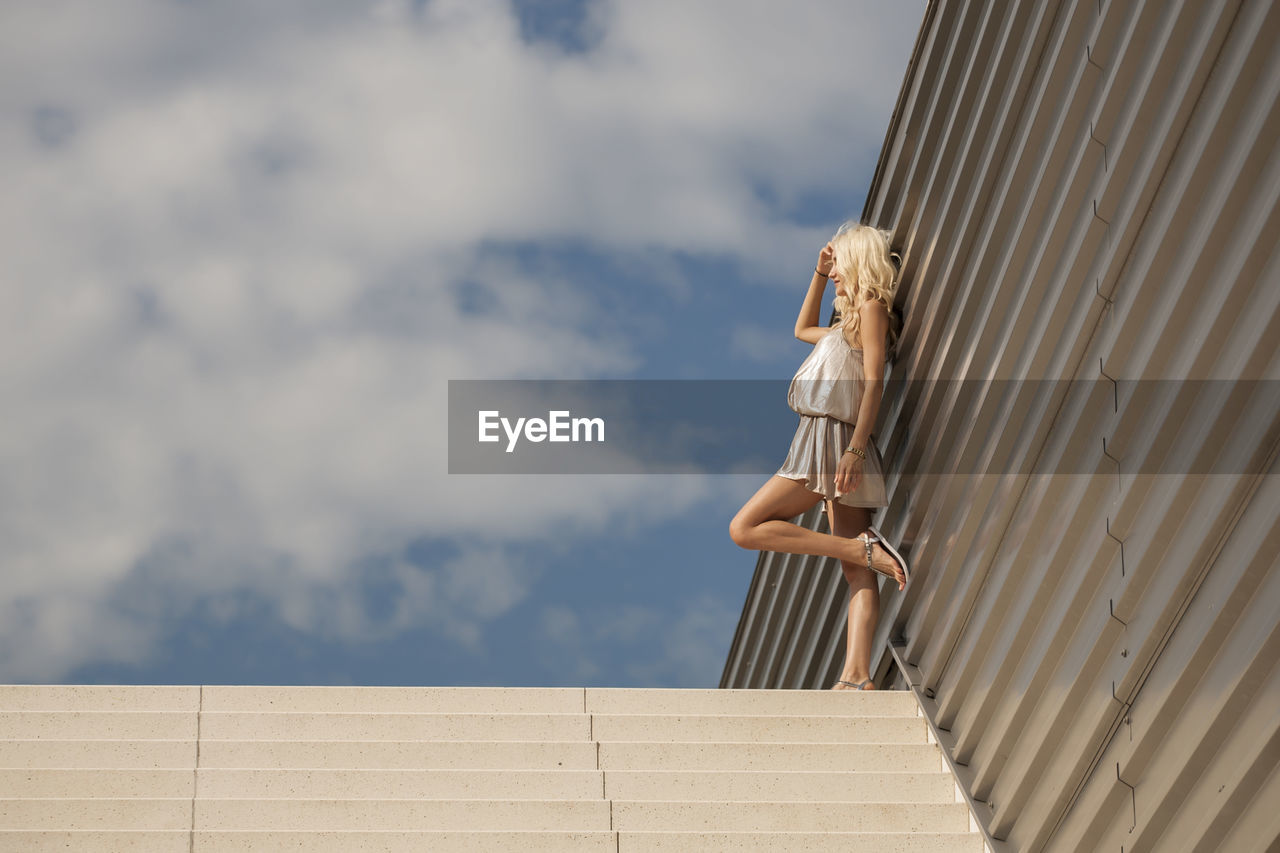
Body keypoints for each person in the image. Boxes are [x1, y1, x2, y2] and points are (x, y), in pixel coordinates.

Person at [729, 221, 910, 691]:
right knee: (858, 572)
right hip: (820, 438)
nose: (833, 273)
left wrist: (853, 450)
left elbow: (874, 382)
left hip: (834, 442)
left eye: (837, 263)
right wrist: (817, 271)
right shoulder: (843, 324)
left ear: (859, 261)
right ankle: (857, 676)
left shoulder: (872, 310)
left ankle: (861, 550)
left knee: (744, 528)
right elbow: (800, 328)